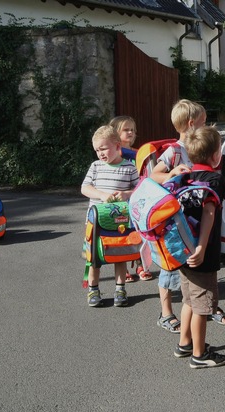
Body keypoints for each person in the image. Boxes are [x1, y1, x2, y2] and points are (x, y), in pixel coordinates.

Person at [150, 100, 225, 333]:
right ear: (192, 123)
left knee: (193, 275)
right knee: (170, 266)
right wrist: (173, 173)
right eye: (204, 122)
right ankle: (166, 312)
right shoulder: (175, 150)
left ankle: (207, 308)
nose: (206, 125)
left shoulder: (200, 145)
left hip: (193, 218)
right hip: (176, 221)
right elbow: (154, 175)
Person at [173, 125, 225, 368]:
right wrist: (202, 248)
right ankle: (199, 354)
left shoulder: (184, 177)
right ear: (216, 155)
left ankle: (185, 343)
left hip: (182, 251)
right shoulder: (215, 179)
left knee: (189, 300)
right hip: (200, 254)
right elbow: (209, 213)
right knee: (203, 307)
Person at [81, 125, 139, 308]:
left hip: (120, 223)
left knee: (120, 256)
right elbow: (85, 188)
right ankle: (93, 289)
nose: (100, 153)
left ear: (117, 145)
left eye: (103, 148)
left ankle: (120, 289)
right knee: (94, 258)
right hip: (96, 223)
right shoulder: (96, 166)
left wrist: (127, 194)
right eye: (97, 150)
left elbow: (139, 190)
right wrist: (101, 195)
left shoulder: (129, 167)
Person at [109, 115, 152, 282]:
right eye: (126, 130)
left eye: (133, 130)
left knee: (138, 231)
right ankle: (124, 267)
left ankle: (141, 264)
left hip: (136, 197)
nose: (131, 133)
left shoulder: (137, 152)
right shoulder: (114, 153)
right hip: (119, 200)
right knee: (122, 232)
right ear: (115, 133)